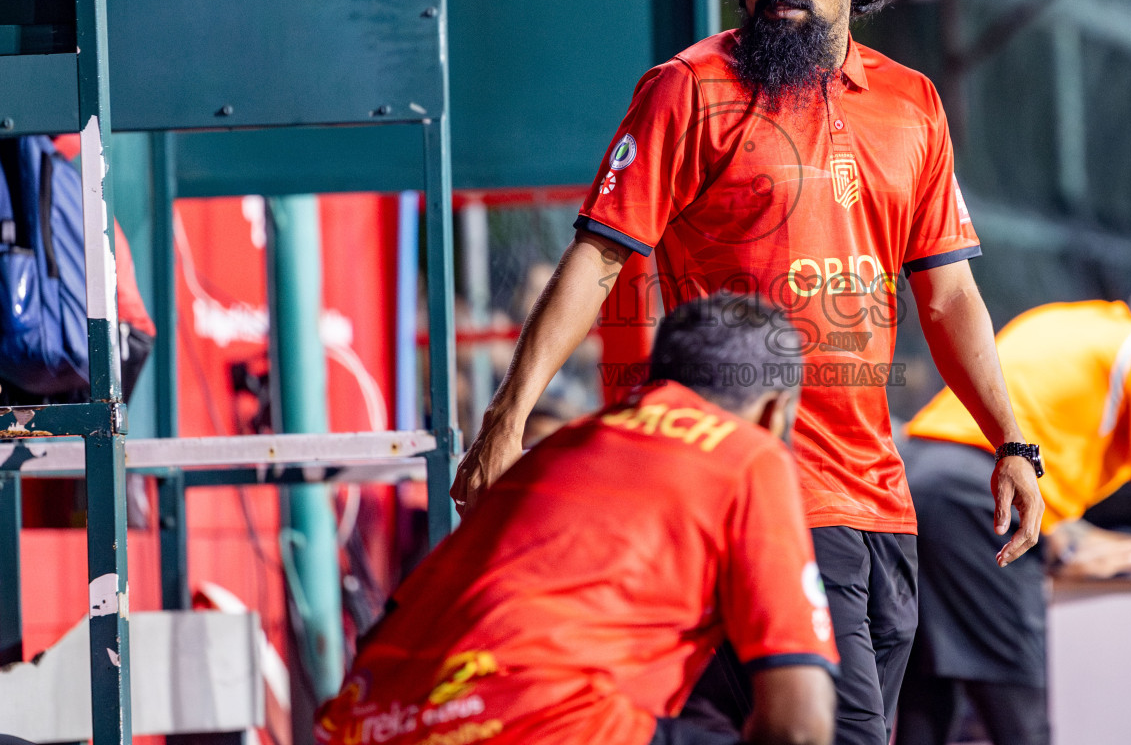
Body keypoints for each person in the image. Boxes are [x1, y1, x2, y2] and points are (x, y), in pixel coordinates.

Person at [452, 0, 1044, 745]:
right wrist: (506, 417)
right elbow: (596, 261)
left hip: (880, 502)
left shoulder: (912, 104)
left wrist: (1014, 441)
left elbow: (951, 297)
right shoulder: (687, 91)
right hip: (752, 489)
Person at [315, 293, 837, 745]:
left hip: (367, 720)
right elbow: (800, 724)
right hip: (540, 720)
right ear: (774, 412)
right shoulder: (748, 452)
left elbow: (392, 620)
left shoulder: (560, 449)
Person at [895, 272, 1131, 745]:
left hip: (916, 476)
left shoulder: (1068, 322)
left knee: (928, 694)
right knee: (1021, 711)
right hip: (979, 495)